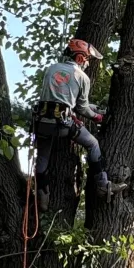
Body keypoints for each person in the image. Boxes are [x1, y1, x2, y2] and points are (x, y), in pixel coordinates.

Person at [31, 37, 108, 203]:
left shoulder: (51, 69)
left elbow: (62, 98)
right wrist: (98, 117)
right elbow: (82, 108)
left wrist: (92, 108)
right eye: (87, 59)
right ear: (80, 58)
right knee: (93, 144)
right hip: (62, 125)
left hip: (42, 122)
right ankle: (103, 184)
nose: (88, 63)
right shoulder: (82, 77)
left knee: (43, 158)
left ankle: (41, 196)